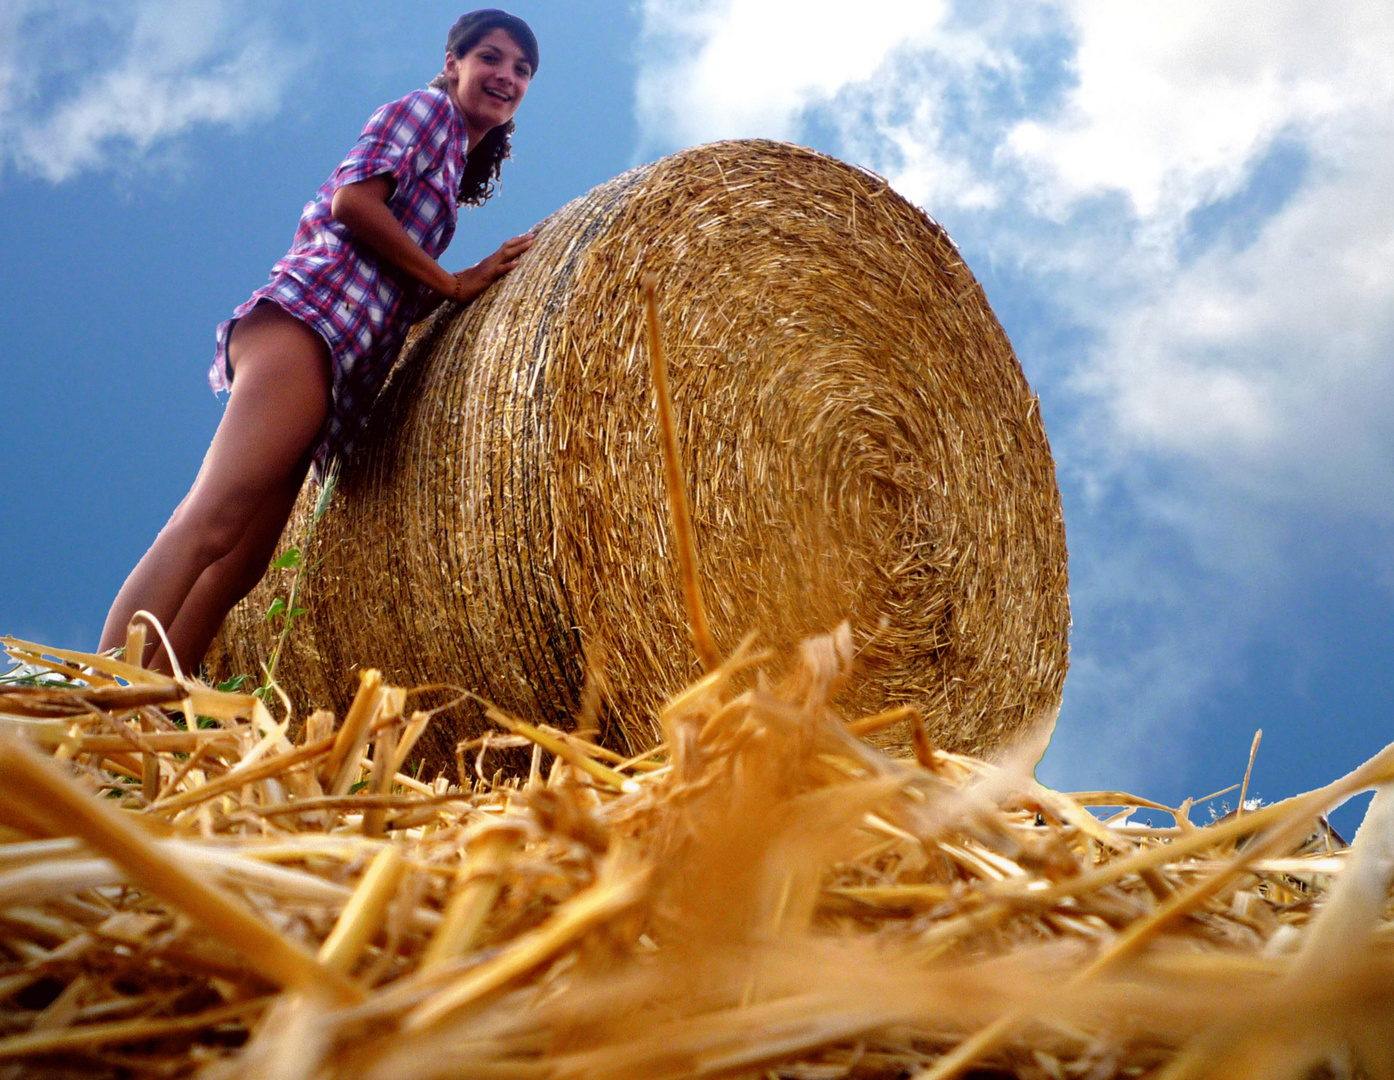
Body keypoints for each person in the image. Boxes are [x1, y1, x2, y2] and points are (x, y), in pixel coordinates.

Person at [98, 9, 539, 675]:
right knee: (211, 519)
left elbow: (390, 284)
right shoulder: (426, 112)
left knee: (239, 567)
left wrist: (451, 299)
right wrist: (450, 283)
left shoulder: (451, 161)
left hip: (335, 355)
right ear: (453, 65)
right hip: (309, 324)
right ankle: (96, 690)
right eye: (491, 58)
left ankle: (142, 718)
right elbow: (353, 205)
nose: (505, 75)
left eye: (521, 68)